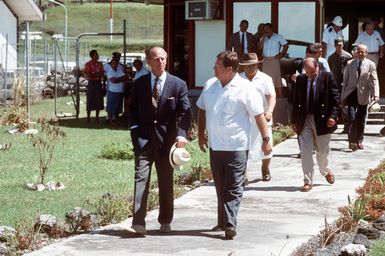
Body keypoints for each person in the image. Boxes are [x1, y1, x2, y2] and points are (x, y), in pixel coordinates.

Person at [196, 51, 271, 239]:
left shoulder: (245, 87)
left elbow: (258, 115)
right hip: (216, 146)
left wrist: (266, 140)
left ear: (229, 69)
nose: (214, 68)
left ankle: (230, 224)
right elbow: (202, 110)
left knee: (234, 186)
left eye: (217, 65)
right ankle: (223, 221)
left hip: (237, 146)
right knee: (220, 187)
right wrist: (201, 135)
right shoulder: (210, 85)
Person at [127, 46, 191, 235]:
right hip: (143, 141)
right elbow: (131, 110)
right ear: (149, 61)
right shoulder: (139, 83)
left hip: (167, 143)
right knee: (140, 180)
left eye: (163, 58)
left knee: (165, 182)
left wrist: (181, 134)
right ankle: (138, 222)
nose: (160, 62)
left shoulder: (178, 84)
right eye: (156, 59)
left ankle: (165, 220)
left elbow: (184, 113)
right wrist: (134, 130)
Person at [291, 57, 340, 192]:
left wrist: (333, 116)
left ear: (318, 67)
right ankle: (308, 181)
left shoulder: (327, 77)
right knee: (305, 150)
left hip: (322, 119)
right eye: (307, 73)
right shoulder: (301, 79)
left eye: (312, 72)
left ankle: (325, 170)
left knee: (322, 151)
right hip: (304, 118)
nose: (310, 75)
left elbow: (335, 98)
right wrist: (294, 121)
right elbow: (296, 101)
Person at [239, 53, 276, 182]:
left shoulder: (265, 78)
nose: (250, 68)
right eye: (247, 66)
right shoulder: (238, 79)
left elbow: (271, 96)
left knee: (266, 146)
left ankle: (265, 169)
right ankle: (243, 174)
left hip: (263, 117)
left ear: (258, 64)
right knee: (243, 147)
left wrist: (270, 111)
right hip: (244, 118)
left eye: (253, 65)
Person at [341, 44, 380, 151]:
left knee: (361, 119)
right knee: (352, 117)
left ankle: (359, 141)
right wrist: (342, 96)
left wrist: (375, 94)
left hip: (364, 94)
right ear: (356, 52)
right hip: (351, 94)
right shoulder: (350, 64)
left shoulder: (371, 64)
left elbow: (374, 80)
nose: (360, 53)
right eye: (358, 51)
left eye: (362, 52)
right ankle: (352, 141)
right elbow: (345, 81)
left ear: (366, 53)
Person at [328, 38, 353, 134]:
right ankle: (334, 124)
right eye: (338, 45)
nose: (340, 47)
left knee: (345, 105)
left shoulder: (348, 56)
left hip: (345, 84)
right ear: (334, 46)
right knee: (334, 104)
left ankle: (347, 126)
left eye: (341, 45)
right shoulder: (331, 57)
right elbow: (329, 70)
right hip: (335, 84)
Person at [258, 23, 288, 98]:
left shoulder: (278, 37)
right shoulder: (263, 38)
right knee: (265, 78)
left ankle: (279, 96)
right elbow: (259, 48)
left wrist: (281, 54)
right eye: (265, 29)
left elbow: (286, 45)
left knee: (277, 79)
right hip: (266, 60)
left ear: (271, 29)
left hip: (274, 59)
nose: (266, 31)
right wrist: (263, 39)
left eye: (268, 29)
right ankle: (266, 96)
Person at [83, 49, 105, 123]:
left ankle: (97, 117)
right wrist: (95, 74)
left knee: (98, 99)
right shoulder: (88, 64)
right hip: (91, 83)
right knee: (90, 99)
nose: (97, 56)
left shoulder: (100, 64)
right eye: (96, 55)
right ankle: (88, 117)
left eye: (97, 54)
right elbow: (88, 74)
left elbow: (102, 73)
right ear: (92, 56)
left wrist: (94, 73)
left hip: (98, 82)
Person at [105, 59, 129, 123]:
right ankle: (110, 121)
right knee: (110, 107)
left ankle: (116, 120)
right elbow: (113, 81)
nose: (115, 65)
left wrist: (118, 79)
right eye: (113, 63)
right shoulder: (110, 72)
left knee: (118, 107)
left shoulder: (119, 71)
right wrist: (121, 79)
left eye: (116, 63)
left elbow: (126, 77)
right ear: (111, 64)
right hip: (113, 91)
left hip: (120, 91)